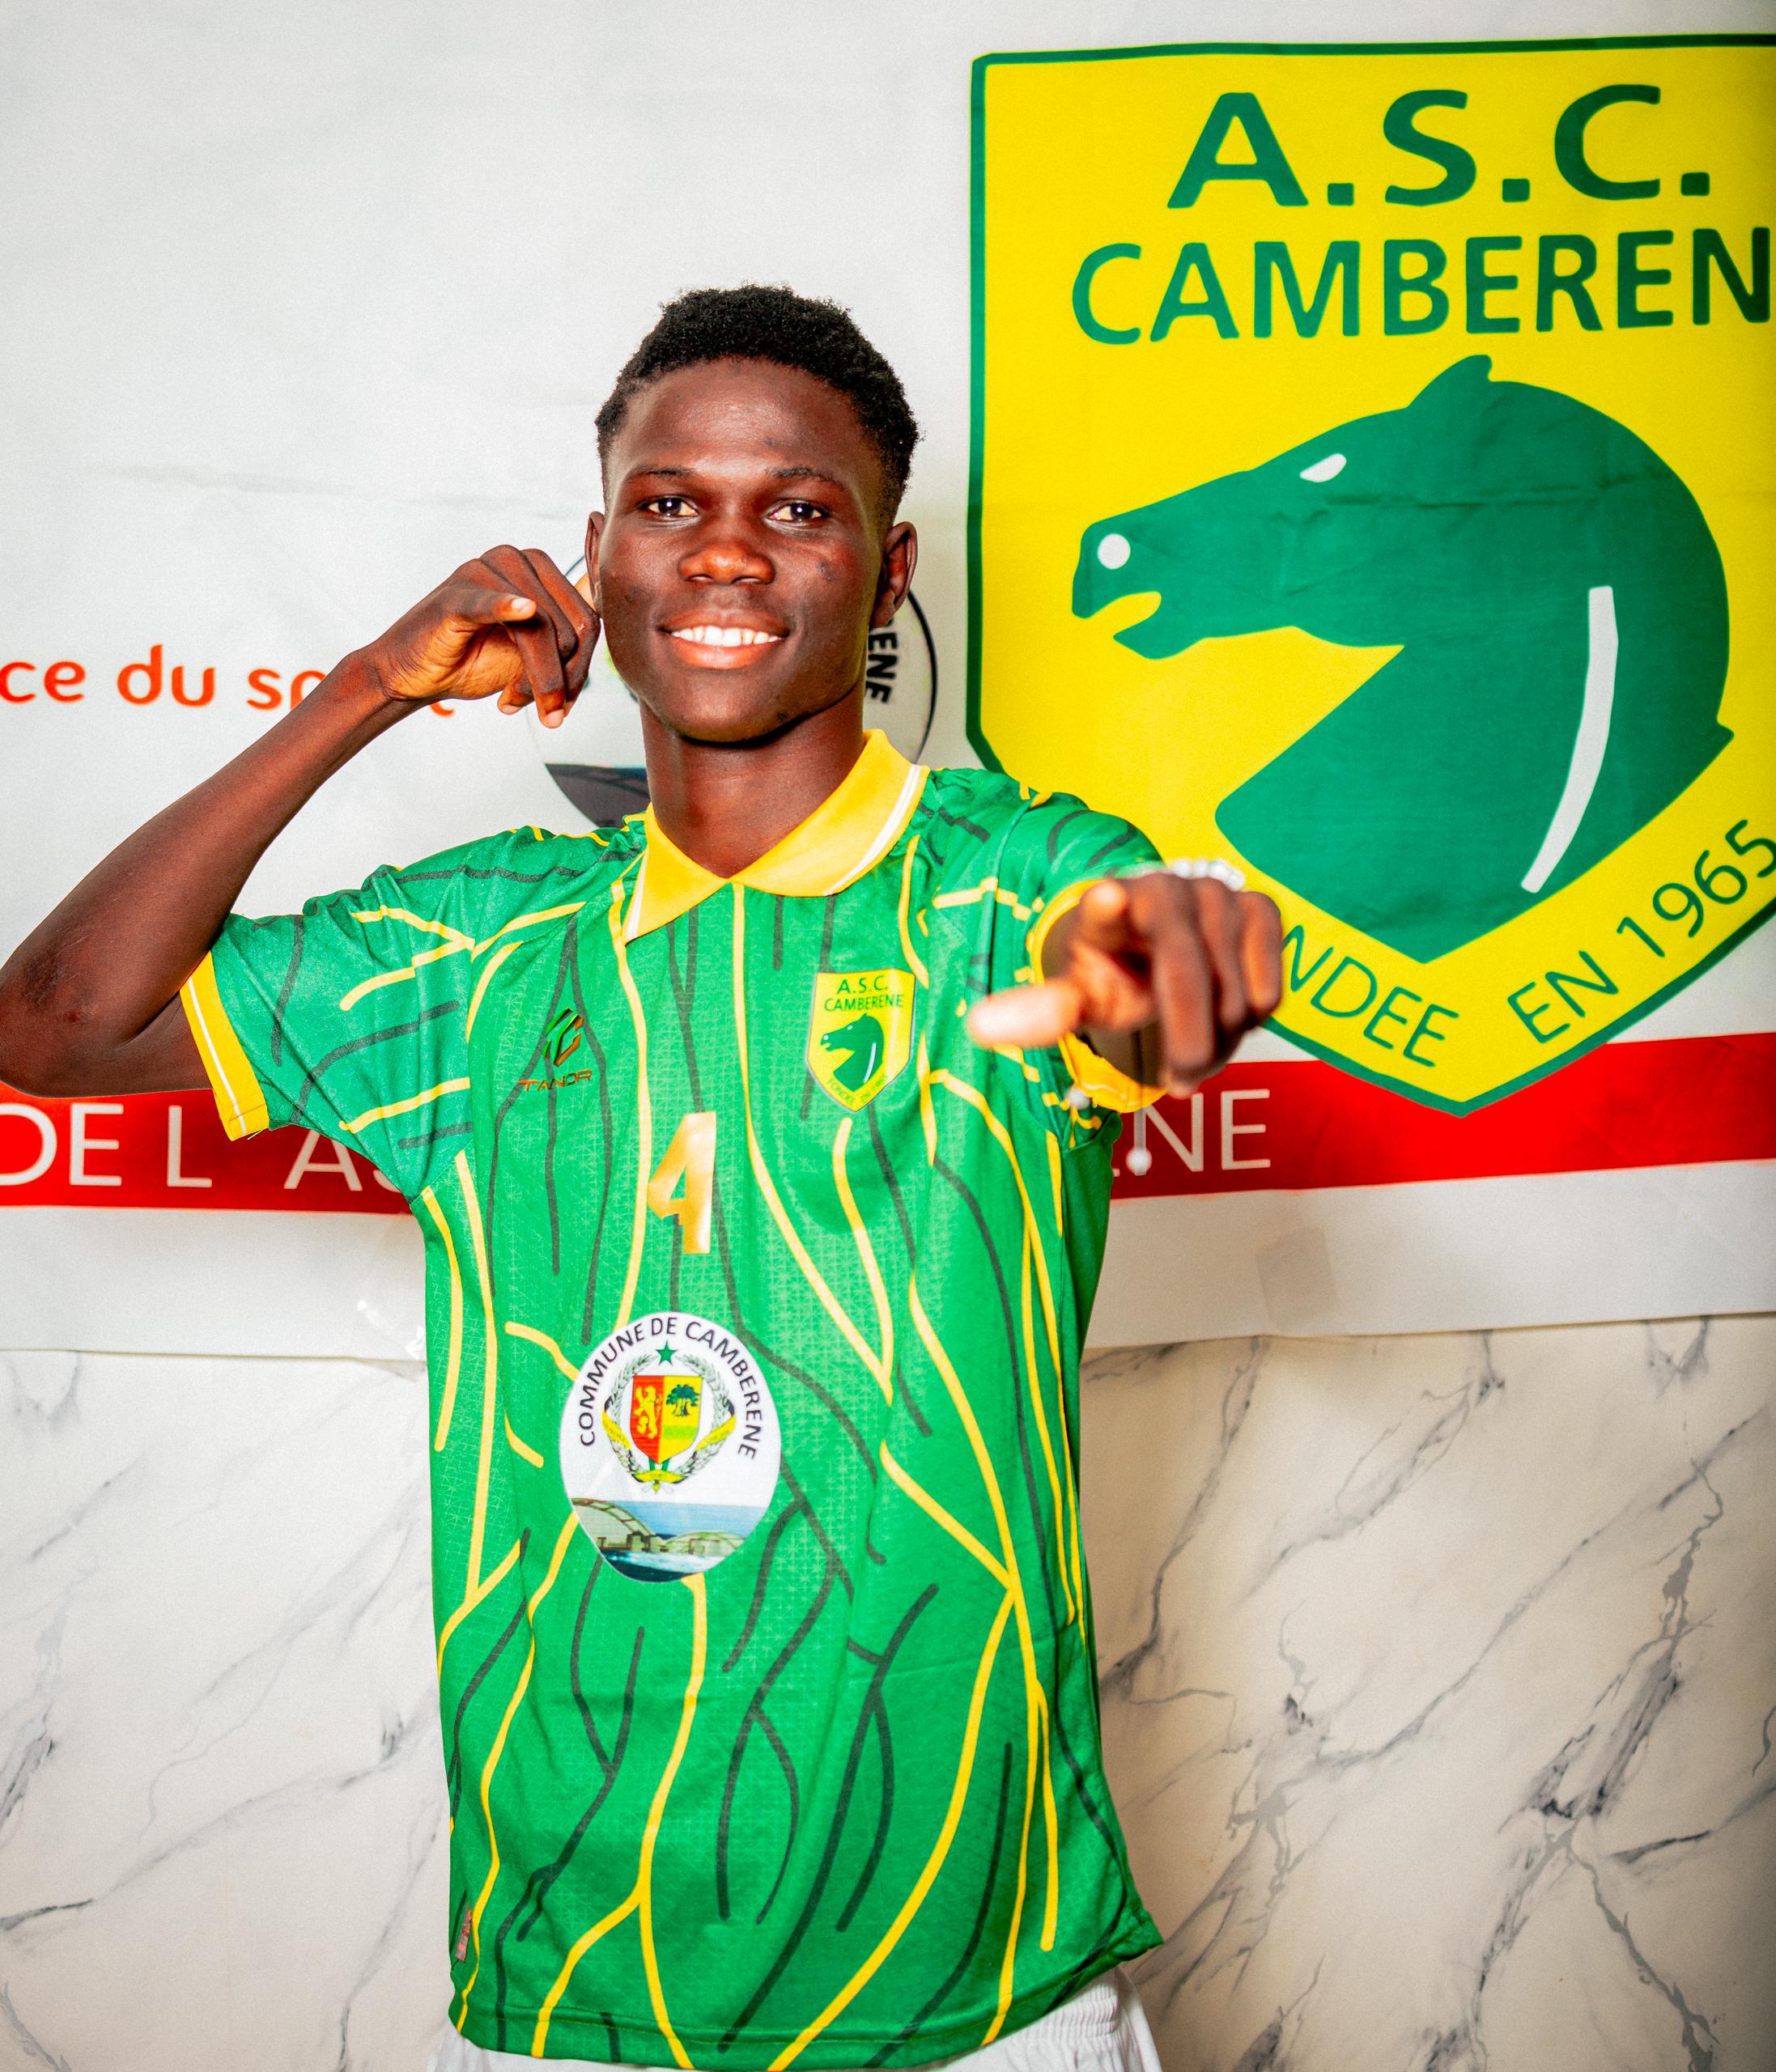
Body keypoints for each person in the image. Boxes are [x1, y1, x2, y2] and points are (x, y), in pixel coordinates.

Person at [0, 287, 1281, 2070]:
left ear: (889, 572)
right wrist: (366, 688)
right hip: (573, 1981)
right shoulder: (473, 952)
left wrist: (1175, 952)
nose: (726, 552)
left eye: (798, 508)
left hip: (977, 1989)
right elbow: (56, 1024)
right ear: (594, 554)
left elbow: (1130, 954)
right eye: (669, 503)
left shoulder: (1004, 884)